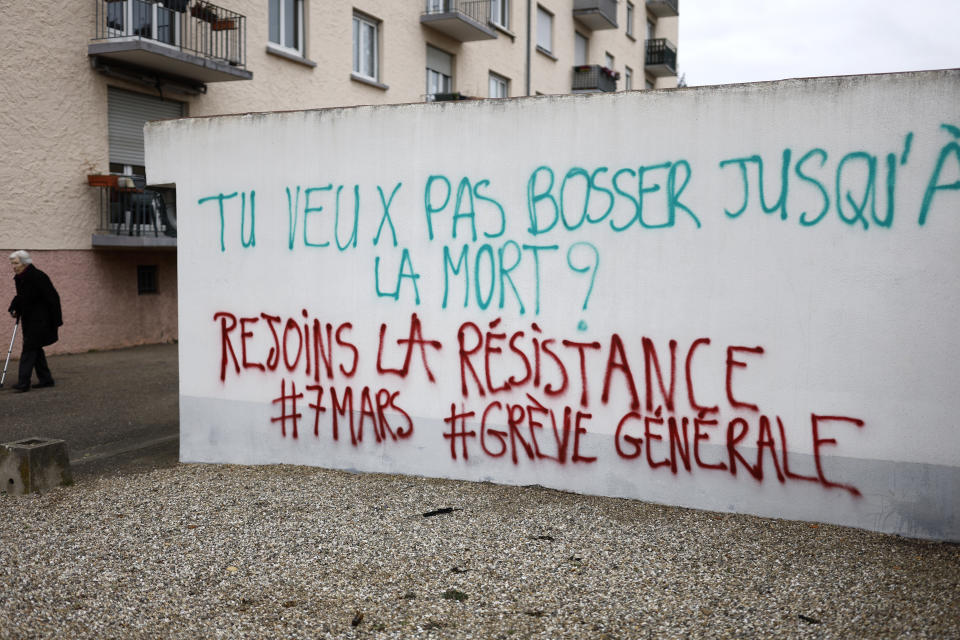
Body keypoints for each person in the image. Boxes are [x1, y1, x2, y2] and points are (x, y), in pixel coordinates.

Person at [7, 251, 62, 392]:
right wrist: (15, 307)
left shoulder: (38, 276)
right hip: (29, 318)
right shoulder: (21, 277)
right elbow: (22, 297)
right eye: (12, 263)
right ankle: (46, 379)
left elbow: (53, 298)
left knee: (29, 349)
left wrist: (55, 321)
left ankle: (23, 383)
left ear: (25, 263)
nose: (13, 266)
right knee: (35, 349)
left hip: (41, 320)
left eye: (16, 263)